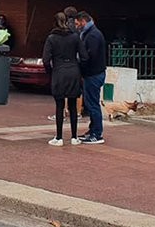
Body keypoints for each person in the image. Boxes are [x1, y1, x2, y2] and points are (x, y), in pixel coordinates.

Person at [43, 12, 83, 146]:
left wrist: (50, 72)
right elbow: (84, 56)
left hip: (59, 72)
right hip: (73, 71)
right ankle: (74, 137)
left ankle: (59, 137)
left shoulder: (51, 38)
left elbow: (46, 60)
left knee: (59, 105)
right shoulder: (75, 37)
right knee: (73, 105)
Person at [76, 11, 107, 144]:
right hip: (92, 73)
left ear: (83, 21)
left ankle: (97, 133)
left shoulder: (93, 35)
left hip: (94, 74)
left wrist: (81, 63)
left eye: (78, 24)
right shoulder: (90, 33)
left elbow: (90, 55)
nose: (77, 26)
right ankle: (92, 130)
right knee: (90, 103)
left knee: (93, 104)